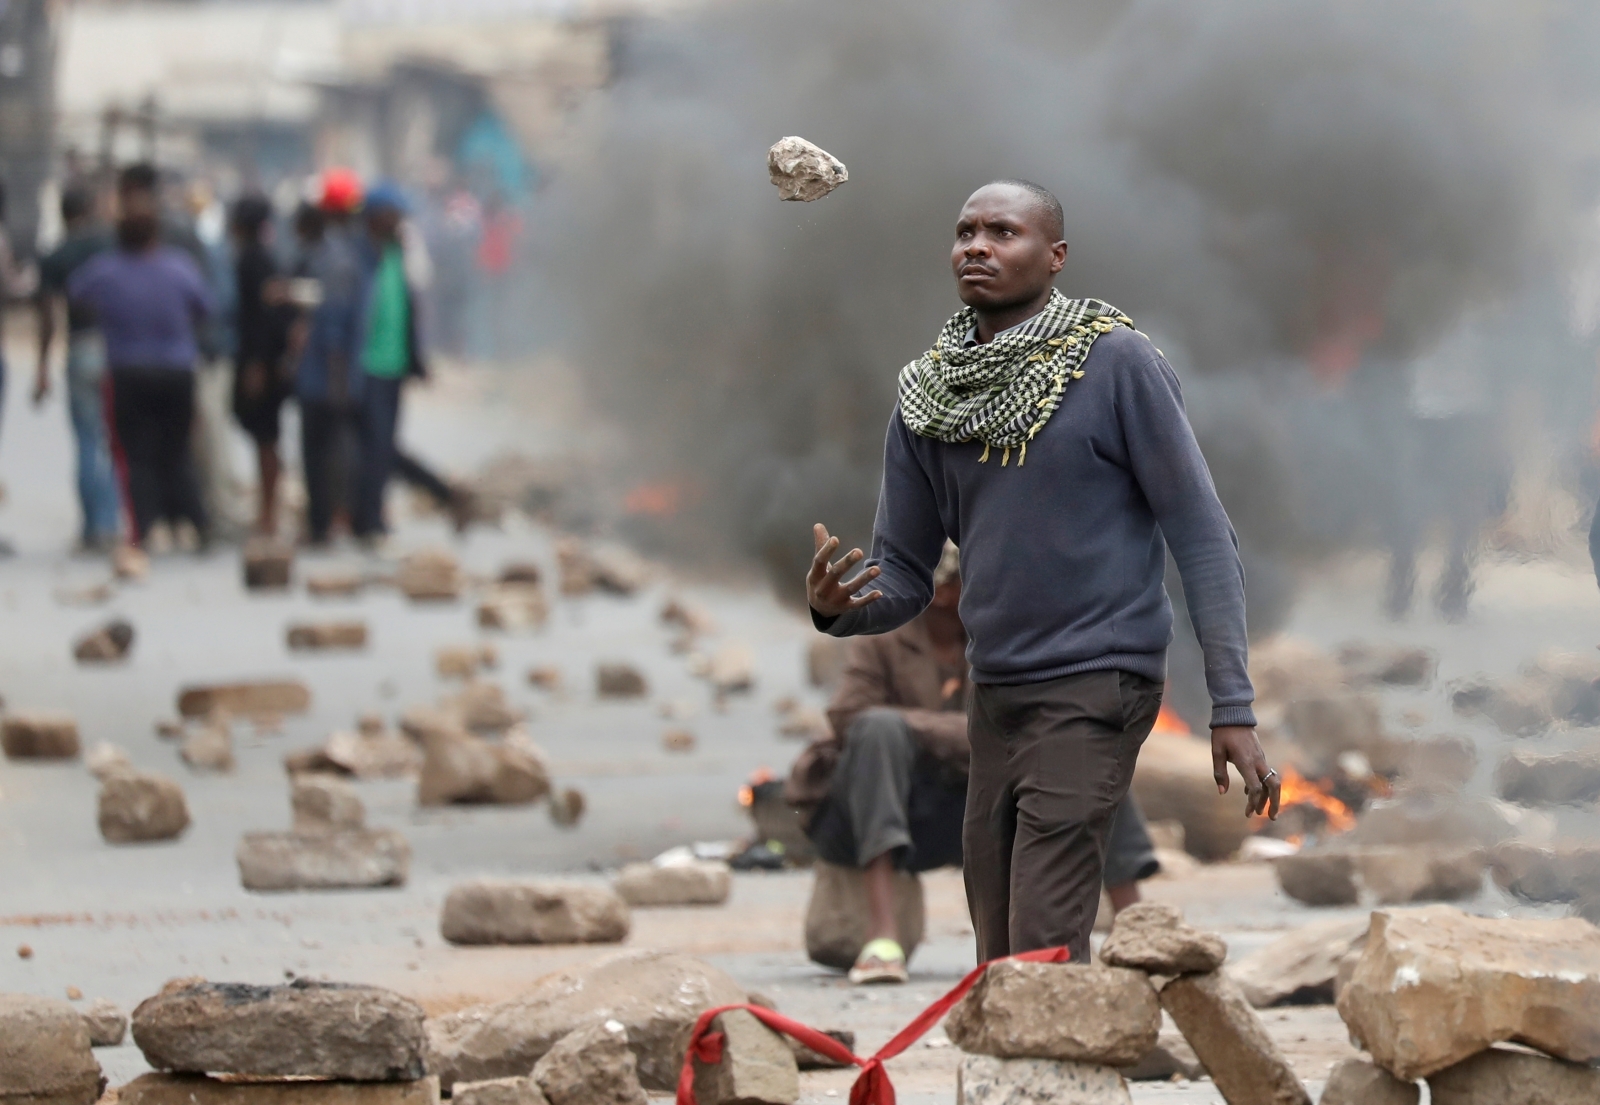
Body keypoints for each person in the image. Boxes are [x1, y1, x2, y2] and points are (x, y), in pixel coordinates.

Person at [806, 180, 1280, 966]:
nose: (977, 247)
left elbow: (1200, 534)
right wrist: (841, 609)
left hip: (1099, 682)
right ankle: (1044, 1076)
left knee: (1043, 941)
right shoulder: (929, 398)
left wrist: (1232, 703)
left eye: (1003, 231)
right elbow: (907, 575)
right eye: (964, 232)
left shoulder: (1117, 363)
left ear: (1055, 256)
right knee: (998, 942)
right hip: (996, 698)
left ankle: (1057, 1083)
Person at [788, 541, 1159, 983]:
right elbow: (849, 715)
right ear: (944, 591)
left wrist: (952, 733)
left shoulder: (1005, 635)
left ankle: (1135, 927)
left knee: (1086, 751)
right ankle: (882, 937)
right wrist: (961, 731)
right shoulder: (884, 637)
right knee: (879, 732)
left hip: (975, 803)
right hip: (888, 809)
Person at [69, 164, 213, 549]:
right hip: (176, 370)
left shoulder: (107, 271)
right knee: (177, 449)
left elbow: (76, 293)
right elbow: (205, 307)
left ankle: (146, 528)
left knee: (138, 454)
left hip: (129, 371)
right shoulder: (179, 269)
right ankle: (195, 523)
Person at [354, 182, 469, 540]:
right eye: (393, 215)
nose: (398, 222)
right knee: (374, 445)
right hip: (365, 364)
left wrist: (417, 360)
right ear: (375, 217)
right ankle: (432, 495)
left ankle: (376, 517)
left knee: (380, 444)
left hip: (391, 364)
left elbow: (408, 310)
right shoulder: (361, 258)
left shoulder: (397, 255)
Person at [35, 183, 120, 550]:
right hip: (116, 349)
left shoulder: (57, 254)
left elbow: (48, 317)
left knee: (87, 440)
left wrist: (42, 366)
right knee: (113, 441)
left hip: (81, 346)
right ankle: (110, 523)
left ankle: (93, 528)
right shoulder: (111, 245)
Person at [294, 180, 367, 546]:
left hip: (327, 376)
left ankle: (327, 522)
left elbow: (335, 322)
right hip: (329, 373)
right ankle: (327, 519)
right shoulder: (345, 251)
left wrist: (338, 381)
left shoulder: (335, 257)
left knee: (324, 452)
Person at [227, 194, 294, 536]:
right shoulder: (264, 260)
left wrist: (257, 364)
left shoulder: (253, 262)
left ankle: (269, 514)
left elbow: (261, 320)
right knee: (263, 437)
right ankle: (267, 511)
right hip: (265, 360)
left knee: (266, 438)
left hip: (260, 363)